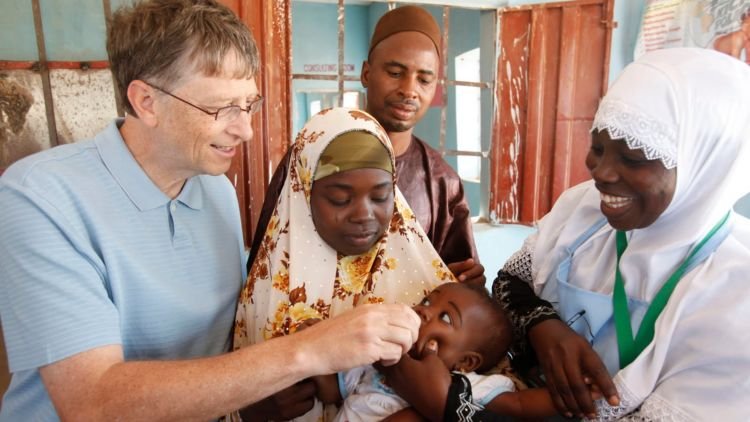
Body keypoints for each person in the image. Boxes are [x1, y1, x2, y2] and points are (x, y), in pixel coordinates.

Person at [0, 1, 421, 420]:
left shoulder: (215, 190)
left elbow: (231, 342)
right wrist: (310, 350)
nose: (246, 129)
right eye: (220, 109)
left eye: (249, 104)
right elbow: (92, 403)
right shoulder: (41, 196)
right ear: (146, 101)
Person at [381, 48, 750, 421]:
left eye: (633, 159)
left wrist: (448, 406)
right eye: (599, 148)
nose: (601, 173)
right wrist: (545, 326)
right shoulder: (586, 212)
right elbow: (511, 283)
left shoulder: (735, 298)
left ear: (703, 164)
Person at [233, 107, 458, 421]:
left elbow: (492, 387)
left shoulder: (429, 289)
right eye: (340, 199)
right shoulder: (271, 291)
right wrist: (247, 410)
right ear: (304, 192)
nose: (364, 214)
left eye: (380, 197)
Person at [247, 5, 484, 286]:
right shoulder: (311, 158)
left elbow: (457, 283)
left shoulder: (442, 182)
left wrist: (469, 284)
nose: (409, 90)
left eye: (424, 79)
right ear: (366, 74)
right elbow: (265, 262)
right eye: (395, 72)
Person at [312, 282, 581, 421]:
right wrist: (316, 339)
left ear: (465, 361)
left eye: (446, 318)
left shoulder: (463, 386)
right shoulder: (379, 359)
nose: (422, 310)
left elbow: (520, 405)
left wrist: (577, 391)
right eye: (427, 301)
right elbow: (331, 393)